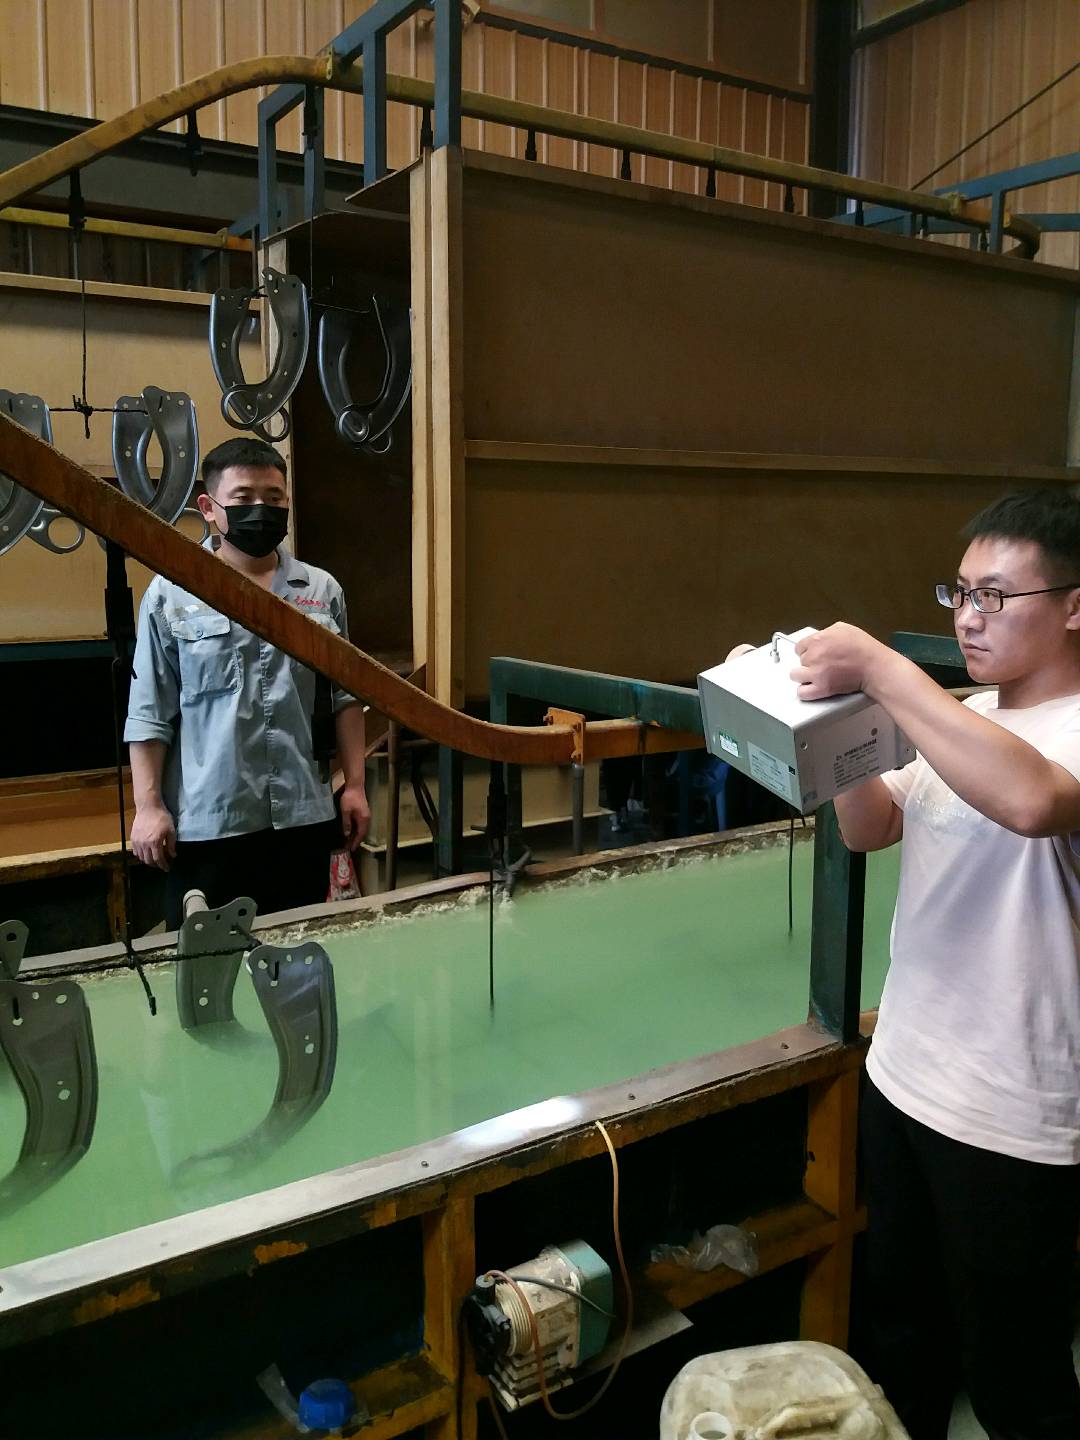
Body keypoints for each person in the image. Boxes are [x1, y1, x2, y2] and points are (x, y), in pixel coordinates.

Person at [788, 489, 1080, 1440]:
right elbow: (872, 824)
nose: (967, 616)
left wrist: (881, 668)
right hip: (905, 1078)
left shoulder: (1061, 733)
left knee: (1017, 1379)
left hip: (1011, 1114)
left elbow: (1031, 802)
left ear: (1074, 606)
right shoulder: (967, 714)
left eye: (995, 595)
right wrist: (833, 728)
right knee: (903, 1337)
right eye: (960, 592)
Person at [125, 437, 369, 928]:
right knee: (207, 959)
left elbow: (345, 698)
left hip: (302, 815)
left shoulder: (320, 591)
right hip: (209, 822)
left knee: (299, 955)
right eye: (243, 498)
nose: (261, 509)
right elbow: (149, 709)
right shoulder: (172, 592)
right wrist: (148, 806)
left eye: (274, 498)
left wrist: (356, 786)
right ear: (209, 508)